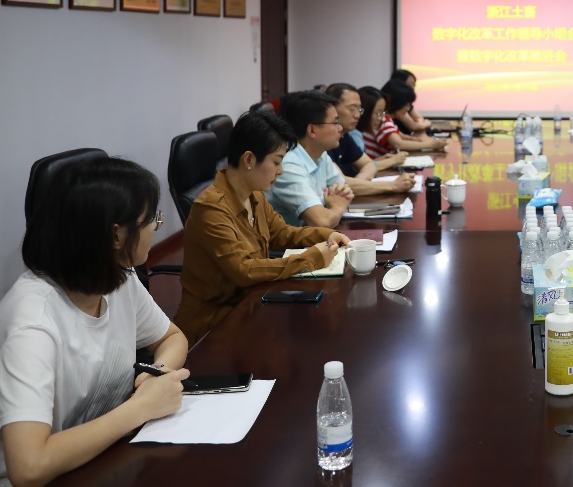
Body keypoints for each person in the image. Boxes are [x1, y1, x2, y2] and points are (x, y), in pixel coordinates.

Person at [0, 157, 190, 487]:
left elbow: (171, 337)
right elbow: (29, 469)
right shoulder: (31, 327)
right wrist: (140, 408)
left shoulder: (118, 279)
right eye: (151, 220)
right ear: (117, 234)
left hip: (86, 463)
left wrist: (155, 375)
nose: (155, 228)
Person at [174, 112, 352, 344]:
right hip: (213, 325)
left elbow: (281, 233)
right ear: (249, 159)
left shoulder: (254, 194)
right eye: (276, 162)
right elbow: (243, 270)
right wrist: (311, 258)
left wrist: (327, 234)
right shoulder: (211, 208)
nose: (281, 171)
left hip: (251, 304)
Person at [268, 91, 356, 227]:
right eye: (335, 122)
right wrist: (338, 207)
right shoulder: (288, 165)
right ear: (312, 130)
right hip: (288, 241)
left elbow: (344, 192)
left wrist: (337, 202)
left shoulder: (320, 154)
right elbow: (321, 221)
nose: (340, 128)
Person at [323, 82, 415, 195]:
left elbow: (369, 164)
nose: (357, 115)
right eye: (352, 109)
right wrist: (393, 185)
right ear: (332, 109)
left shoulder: (344, 135)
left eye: (359, 109)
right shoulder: (322, 140)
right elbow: (341, 182)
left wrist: (358, 184)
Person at [365, 80, 448, 156]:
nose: (408, 109)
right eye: (407, 105)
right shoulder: (382, 120)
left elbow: (401, 136)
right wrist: (431, 145)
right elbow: (399, 144)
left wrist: (415, 140)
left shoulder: (387, 119)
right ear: (397, 103)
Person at [389, 68, 432, 133]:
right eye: (411, 85)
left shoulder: (407, 104)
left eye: (414, 85)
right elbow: (413, 126)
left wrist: (420, 123)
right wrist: (426, 123)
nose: (413, 88)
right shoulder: (397, 105)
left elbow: (419, 118)